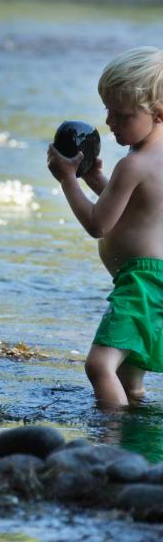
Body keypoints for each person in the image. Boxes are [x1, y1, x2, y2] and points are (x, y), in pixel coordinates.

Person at [47, 46, 163, 408]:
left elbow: (99, 224)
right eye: (107, 110)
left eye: (122, 115)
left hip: (141, 282)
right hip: (156, 280)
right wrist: (98, 179)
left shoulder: (134, 164)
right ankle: (138, 440)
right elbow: (137, 211)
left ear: (159, 113)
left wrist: (67, 180)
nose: (110, 122)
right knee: (128, 374)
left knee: (99, 366)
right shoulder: (149, 160)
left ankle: (106, 445)